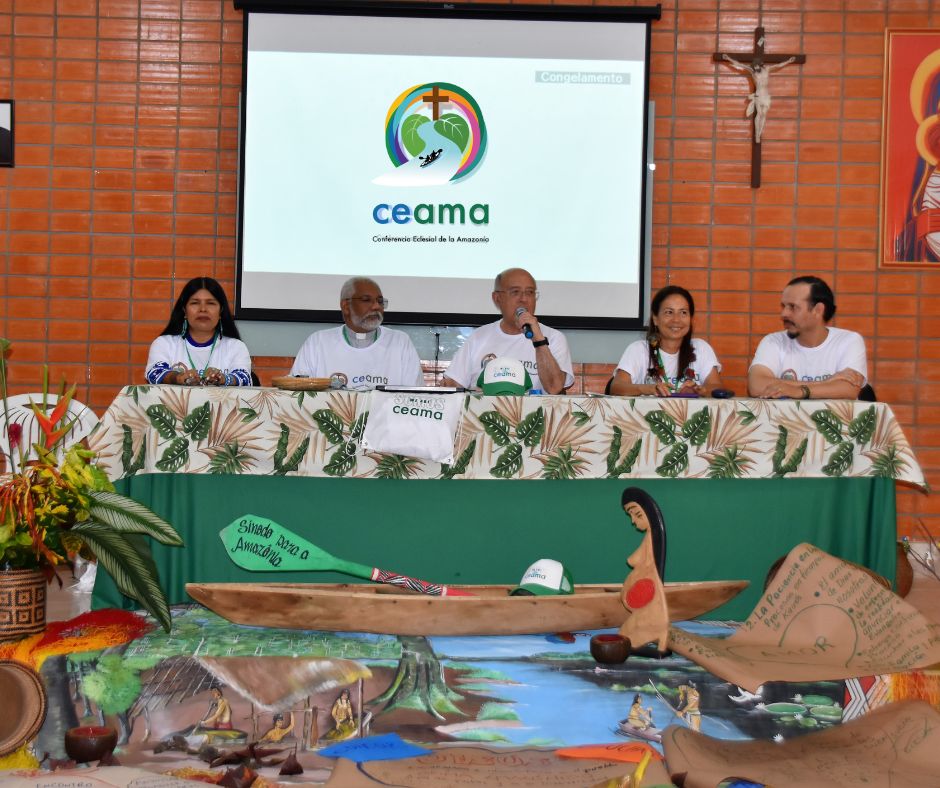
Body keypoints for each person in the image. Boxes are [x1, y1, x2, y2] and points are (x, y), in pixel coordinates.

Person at [442, 268, 574, 394]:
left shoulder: (554, 338)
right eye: (515, 292)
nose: (524, 299)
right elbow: (453, 385)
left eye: (530, 292)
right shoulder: (478, 337)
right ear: (497, 298)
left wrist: (539, 340)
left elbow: (554, 388)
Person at [290, 277, 423, 388]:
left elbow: (415, 397)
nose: (376, 306)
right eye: (366, 300)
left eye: (380, 301)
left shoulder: (399, 342)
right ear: (346, 306)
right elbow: (296, 392)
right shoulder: (318, 343)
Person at [748, 276, 867, 400]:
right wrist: (827, 383)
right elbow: (756, 386)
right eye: (783, 306)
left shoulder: (848, 341)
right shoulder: (773, 341)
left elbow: (848, 389)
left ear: (818, 310)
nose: (784, 314)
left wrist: (799, 391)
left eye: (792, 307)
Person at [609, 286, 722, 397]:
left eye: (683, 312)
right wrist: (648, 389)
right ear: (655, 319)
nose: (676, 319)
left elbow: (717, 387)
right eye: (669, 312)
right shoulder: (639, 349)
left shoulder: (701, 348)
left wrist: (700, 390)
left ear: (690, 319)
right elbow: (616, 387)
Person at [146, 277, 252, 387]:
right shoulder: (164, 343)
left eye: (210, 303)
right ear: (184, 310)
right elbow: (155, 373)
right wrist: (178, 377)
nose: (203, 309)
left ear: (221, 311)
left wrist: (223, 379)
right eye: (195, 303)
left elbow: (244, 378)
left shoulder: (236, 346)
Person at [722, 54, 796, 144]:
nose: (755, 68)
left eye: (756, 66)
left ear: (760, 64)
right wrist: (728, 58)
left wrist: (788, 61)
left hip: (766, 95)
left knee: (764, 114)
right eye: (754, 67)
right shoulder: (752, 71)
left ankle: (759, 133)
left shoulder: (767, 69)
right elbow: (740, 65)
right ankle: (757, 134)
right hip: (758, 95)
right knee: (759, 113)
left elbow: (778, 66)